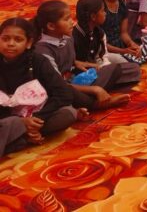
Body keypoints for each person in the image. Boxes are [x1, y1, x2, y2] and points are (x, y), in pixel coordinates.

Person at [0, 18, 84, 155]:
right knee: (12, 123)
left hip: (36, 115)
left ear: (28, 43)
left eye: (18, 40)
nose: (10, 44)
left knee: (68, 114)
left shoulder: (38, 61)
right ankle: (21, 138)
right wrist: (21, 122)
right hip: (6, 120)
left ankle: (22, 136)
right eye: (5, 39)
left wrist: (35, 119)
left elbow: (63, 94)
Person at [33, 1, 131, 111]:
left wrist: (78, 63)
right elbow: (57, 84)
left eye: (71, 17)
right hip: (57, 88)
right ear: (51, 26)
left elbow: (67, 60)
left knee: (114, 69)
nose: (72, 22)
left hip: (71, 80)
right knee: (68, 95)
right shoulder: (43, 51)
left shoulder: (67, 38)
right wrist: (95, 89)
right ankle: (95, 104)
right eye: (66, 19)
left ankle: (89, 99)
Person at [72, 0, 143, 87]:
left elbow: (102, 57)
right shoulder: (73, 36)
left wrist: (106, 68)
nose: (105, 13)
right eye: (102, 11)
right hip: (80, 74)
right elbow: (70, 64)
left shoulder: (99, 32)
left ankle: (102, 83)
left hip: (98, 69)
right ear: (93, 16)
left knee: (134, 68)